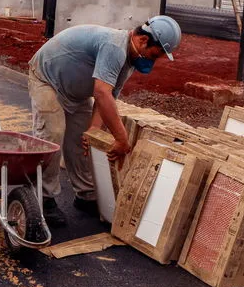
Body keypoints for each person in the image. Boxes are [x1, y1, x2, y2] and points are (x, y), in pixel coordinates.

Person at [27, 15, 182, 226]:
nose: (153, 61)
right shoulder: (114, 47)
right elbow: (101, 93)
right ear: (143, 40)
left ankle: (86, 194)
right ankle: (44, 199)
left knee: (82, 141)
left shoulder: (129, 61)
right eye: (154, 55)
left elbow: (108, 98)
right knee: (53, 134)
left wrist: (93, 130)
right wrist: (122, 139)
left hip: (75, 93)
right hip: (47, 79)